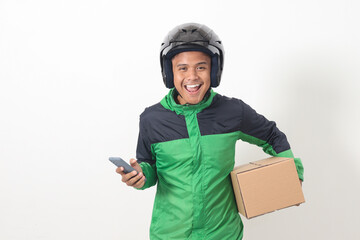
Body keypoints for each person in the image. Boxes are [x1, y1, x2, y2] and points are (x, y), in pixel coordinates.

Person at [116, 23, 304, 240]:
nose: (192, 76)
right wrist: (140, 176)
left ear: (214, 70)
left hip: (222, 233)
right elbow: (149, 168)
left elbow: (272, 136)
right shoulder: (152, 119)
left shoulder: (233, 112)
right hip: (170, 234)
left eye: (201, 67)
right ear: (170, 72)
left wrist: (293, 173)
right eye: (183, 68)